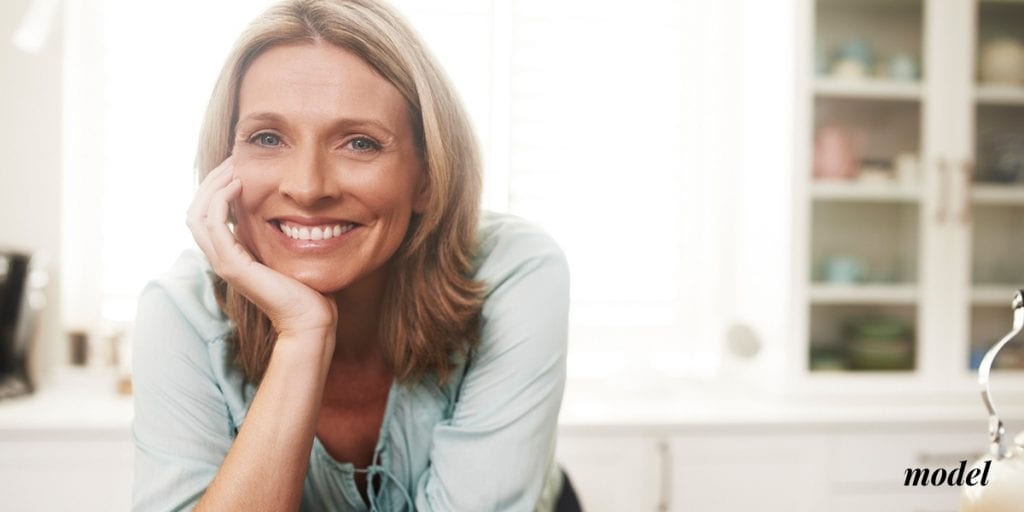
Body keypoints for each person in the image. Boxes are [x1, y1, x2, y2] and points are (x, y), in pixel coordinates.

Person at [129, 0, 570, 510]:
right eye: (268, 138)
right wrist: (303, 334)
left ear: (428, 176)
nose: (307, 187)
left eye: (359, 143)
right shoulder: (180, 313)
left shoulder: (515, 272)